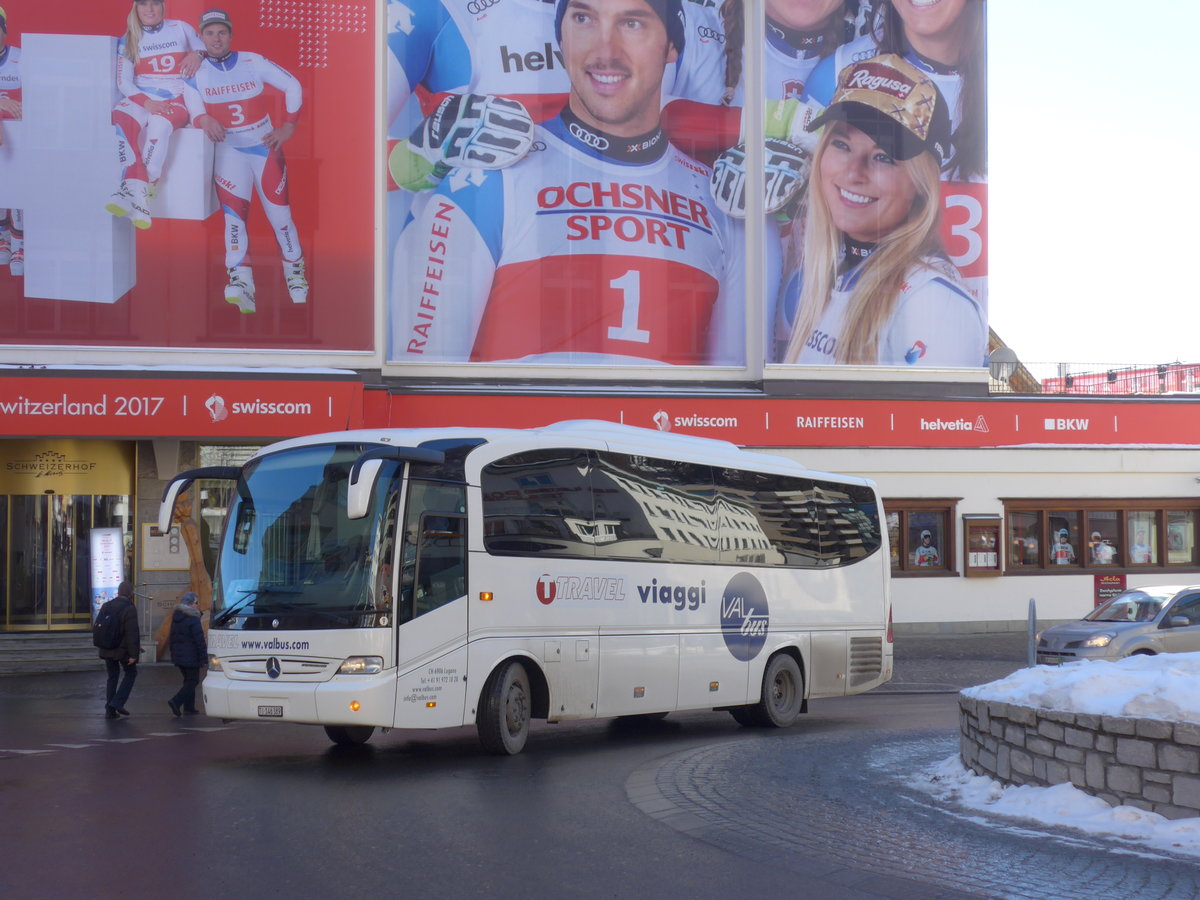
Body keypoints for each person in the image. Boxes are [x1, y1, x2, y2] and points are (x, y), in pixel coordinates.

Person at [391, 0, 747, 365]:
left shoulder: (721, 204)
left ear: (671, 47)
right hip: (486, 200)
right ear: (559, 36)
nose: (606, 51)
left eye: (633, 24)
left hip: (659, 419)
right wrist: (418, 158)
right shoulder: (483, 183)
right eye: (583, 19)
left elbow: (736, 404)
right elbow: (420, 387)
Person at [776, 52, 984, 365]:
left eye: (883, 156)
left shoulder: (931, 303)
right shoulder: (820, 278)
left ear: (920, 182)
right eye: (842, 145)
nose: (852, 172)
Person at [183, 8, 309, 314]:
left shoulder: (253, 60)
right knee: (234, 219)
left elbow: (293, 86)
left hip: (264, 149)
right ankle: (241, 280)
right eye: (209, 33)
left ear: (230, 35)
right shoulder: (194, 71)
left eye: (222, 32)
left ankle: (295, 274)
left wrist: (288, 127)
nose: (216, 38)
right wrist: (203, 120)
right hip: (229, 153)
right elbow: (193, 109)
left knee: (281, 219)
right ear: (202, 36)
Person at [105, 0, 204, 230]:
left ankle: (132, 192)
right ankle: (140, 198)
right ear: (135, 8)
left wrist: (197, 55)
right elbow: (124, 82)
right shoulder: (128, 38)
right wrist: (147, 103)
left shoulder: (180, 27)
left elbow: (206, 47)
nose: (149, 9)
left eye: (155, 3)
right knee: (121, 120)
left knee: (159, 128)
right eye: (143, 4)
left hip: (174, 99)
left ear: (163, 6)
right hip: (142, 97)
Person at [0, 5, 22, 277]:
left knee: (17, 187)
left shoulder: (20, 58)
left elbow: (39, 97)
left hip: (20, 138)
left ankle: (19, 242)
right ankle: (4, 237)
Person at [97, 581, 141, 718]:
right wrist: (134, 654)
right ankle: (117, 702)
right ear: (130, 593)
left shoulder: (106, 605)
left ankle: (109, 710)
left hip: (106, 647)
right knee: (131, 673)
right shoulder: (129, 608)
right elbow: (132, 633)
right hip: (122, 650)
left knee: (112, 677)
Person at [167, 591, 207, 716]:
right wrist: (204, 658)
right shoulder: (193, 619)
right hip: (191, 656)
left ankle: (189, 707)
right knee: (193, 681)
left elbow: (172, 637)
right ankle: (176, 701)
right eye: (196, 603)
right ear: (190, 604)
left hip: (179, 656)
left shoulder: (177, 616)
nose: (198, 605)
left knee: (188, 680)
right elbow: (199, 640)